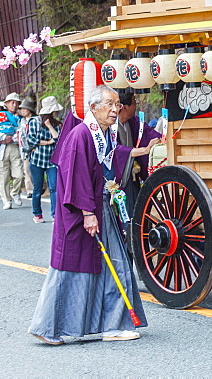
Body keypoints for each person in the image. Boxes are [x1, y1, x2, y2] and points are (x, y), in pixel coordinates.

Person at [28, 86, 147, 344]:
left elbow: (108, 162)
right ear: (93, 108)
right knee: (70, 267)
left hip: (100, 207)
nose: (115, 109)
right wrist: (87, 212)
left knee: (113, 264)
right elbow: (76, 175)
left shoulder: (105, 134)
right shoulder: (81, 134)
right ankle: (48, 326)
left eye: (117, 104)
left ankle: (110, 324)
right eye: (109, 104)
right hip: (84, 211)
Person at [112, 88, 162, 221]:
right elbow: (116, 150)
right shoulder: (111, 124)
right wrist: (145, 150)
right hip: (117, 178)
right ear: (124, 107)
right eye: (134, 103)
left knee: (134, 211)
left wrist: (164, 139)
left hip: (131, 175)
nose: (136, 106)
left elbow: (147, 132)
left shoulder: (131, 121)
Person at [20, 97, 59, 223]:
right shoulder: (34, 121)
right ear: (51, 111)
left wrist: (49, 126)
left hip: (52, 161)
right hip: (37, 160)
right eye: (54, 111)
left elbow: (58, 140)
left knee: (54, 188)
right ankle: (37, 214)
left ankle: (55, 214)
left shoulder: (57, 124)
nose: (56, 113)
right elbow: (31, 140)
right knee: (37, 189)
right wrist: (48, 142)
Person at [0, 91, 24, 209]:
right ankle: (6, 199)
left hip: (15, 147)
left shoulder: (20, 118)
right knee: (3, 176)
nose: (14, 105)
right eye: (12, 103)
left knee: (19, 174)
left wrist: (14, 137)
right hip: (2, 147)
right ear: (7, 104)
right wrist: (3, 138)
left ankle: (15, 193)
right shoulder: (1, 115)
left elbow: (23, 131)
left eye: (16, 103)